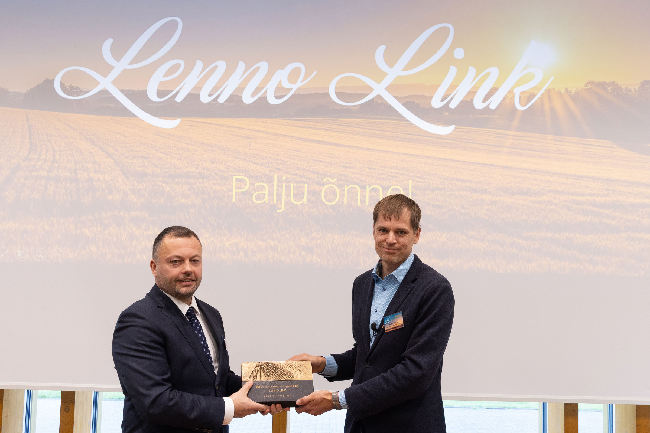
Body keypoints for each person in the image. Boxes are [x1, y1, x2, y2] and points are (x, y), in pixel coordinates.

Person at [290, 194, 455, 433]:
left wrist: (338, 400)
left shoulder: (434, 289)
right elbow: (367, 356)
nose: (390, 239)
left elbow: (416, 372)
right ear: (374, 231)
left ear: (417, 235)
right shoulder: (362, 284)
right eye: (383, 230)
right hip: (361, 425)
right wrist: (322, 364)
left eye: (400, 232)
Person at [112, 226, 280, 433]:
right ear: (154, 267)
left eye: (194, 261)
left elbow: (218, 379)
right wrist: (229, 408)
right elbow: (155, 402)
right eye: (176, 262)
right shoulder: (138, 320)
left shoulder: (211, 314)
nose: (188, 269)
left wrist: (272, 390)